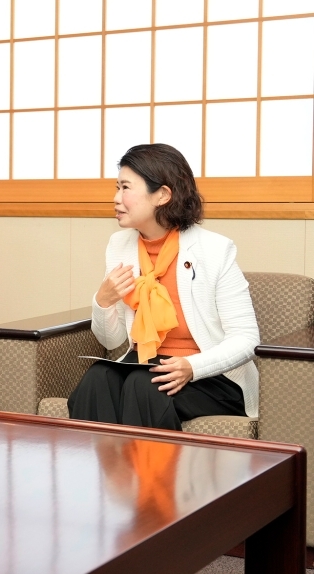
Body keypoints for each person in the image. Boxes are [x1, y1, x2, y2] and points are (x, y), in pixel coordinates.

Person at [68, 144, 259, 430]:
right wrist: (104, 301)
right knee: (98, 378)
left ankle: (155, 476)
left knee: (143, 384)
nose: (116, 198)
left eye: (125, 188)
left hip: (209, 377)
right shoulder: (120, 247)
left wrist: (192, 367)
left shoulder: (215, 250)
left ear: (162, 195)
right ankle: (101, 473)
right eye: (116, 188)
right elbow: (111, 341)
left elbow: (247, 338)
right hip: (145, 364)